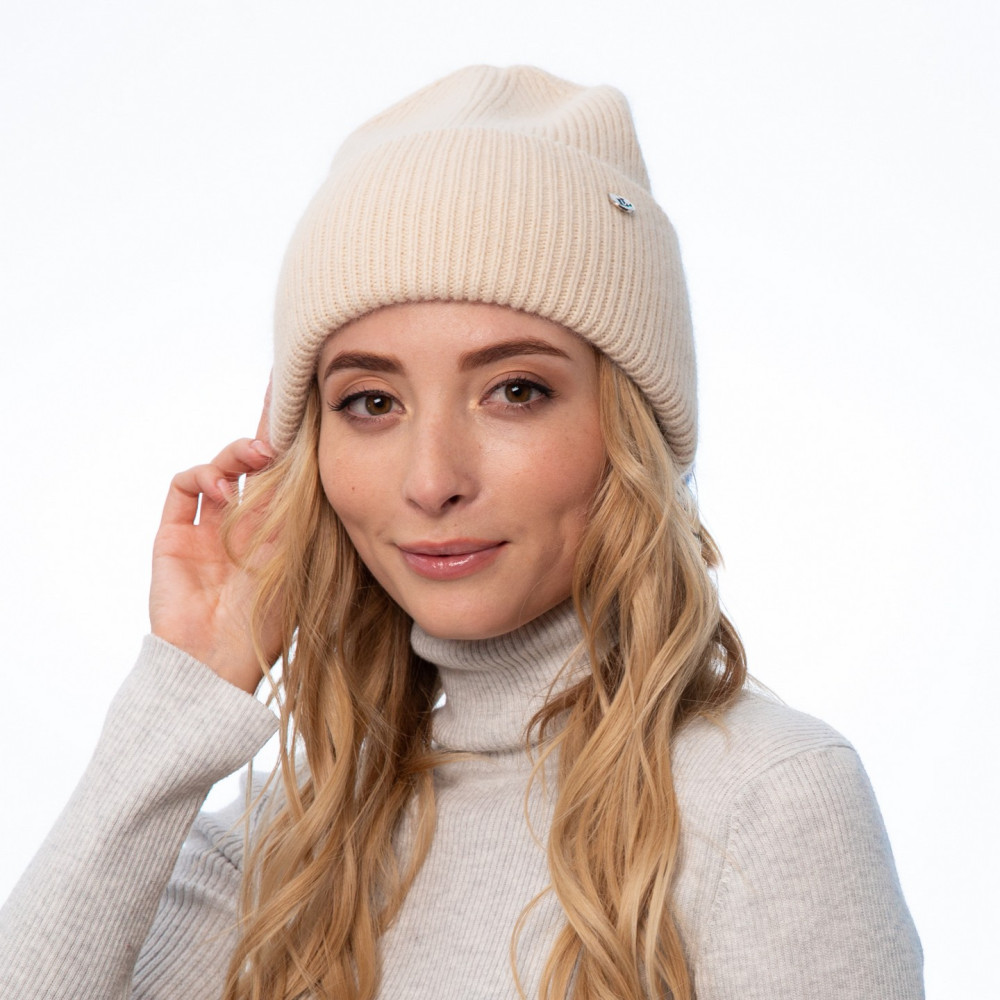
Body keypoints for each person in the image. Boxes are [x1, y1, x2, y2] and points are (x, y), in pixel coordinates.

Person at [0, 65, 923, 1000]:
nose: (433, 479)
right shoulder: (291, 840)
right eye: (371, 402)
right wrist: (188, 685)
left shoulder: (769, 799)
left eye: (516, 390)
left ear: (629, 428)